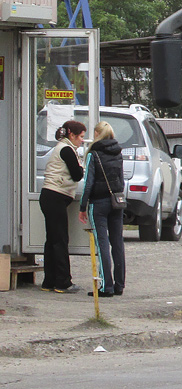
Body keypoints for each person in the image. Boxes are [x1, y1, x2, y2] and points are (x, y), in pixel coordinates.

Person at [78, 121, 125, 297]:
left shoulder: (94, 154)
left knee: (102, 244)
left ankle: (106, 286)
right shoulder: (118, 153)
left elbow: (88, 183)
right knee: (117, 243)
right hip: (116, 201)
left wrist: (83, 206)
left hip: (98, 203)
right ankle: (120, 284)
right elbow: (121, 179)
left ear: (98, 133)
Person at [39, 119, 86, 293]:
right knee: (60, 240)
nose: (82, 140)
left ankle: (49, 281)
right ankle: (63, 282)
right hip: (56, 196)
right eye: (81, 136)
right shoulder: (67, 150)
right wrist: (81, 167)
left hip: (49, 195)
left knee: (52, 239)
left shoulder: (60, 147)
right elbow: (76, 175)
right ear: (71, 135)